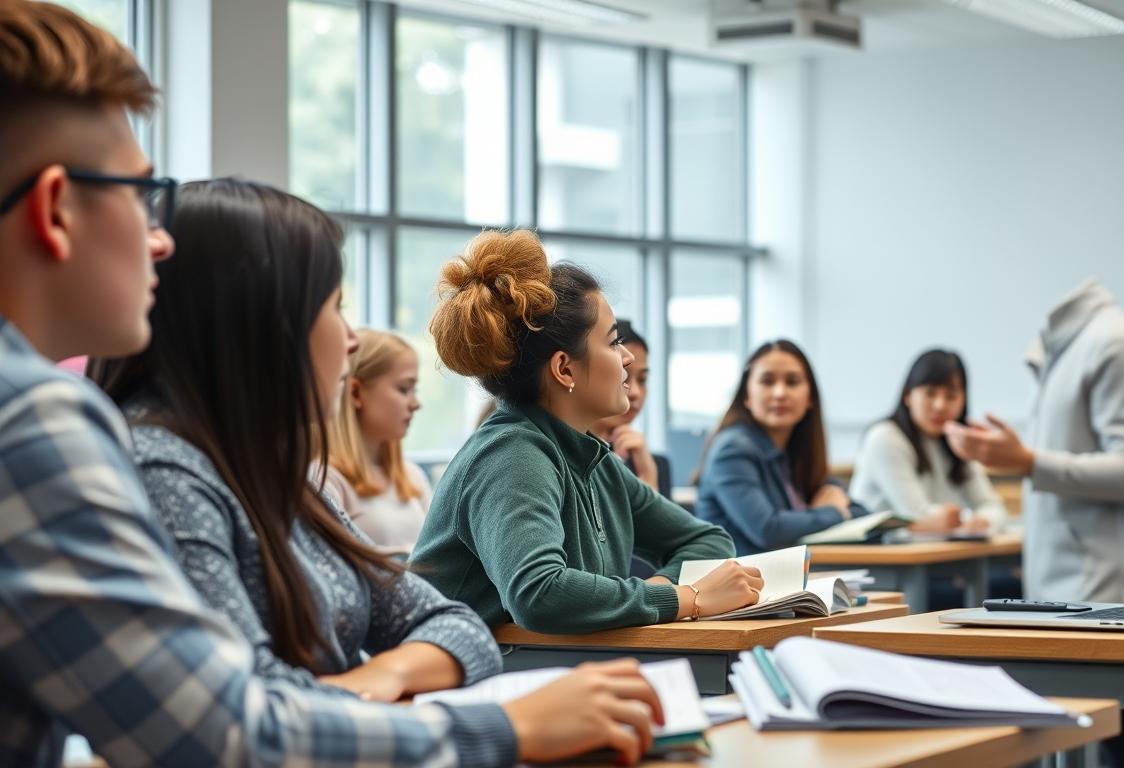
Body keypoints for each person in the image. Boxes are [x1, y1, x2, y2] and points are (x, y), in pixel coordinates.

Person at [0, 6, 664, 765]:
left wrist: (358, 686)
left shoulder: (270, 473)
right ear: (56, 209)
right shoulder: (37, 420)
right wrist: (507, 728)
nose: (159, 238)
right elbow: (227, 735)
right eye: (134, 193)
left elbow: (449, 622)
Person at [91, 179, 497, 704]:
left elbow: (456, 627)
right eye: (336, 308)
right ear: (259, 324)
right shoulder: (161, 470)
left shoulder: (277, 475)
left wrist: (379, 678)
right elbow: (248, 704)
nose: (351, 339)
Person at [411, 230, 762, 632]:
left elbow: (709, 541)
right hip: (467, 684)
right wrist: (688, 598)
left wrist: (660, 591)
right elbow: (539, 594)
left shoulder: (591, 458)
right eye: (613, 344)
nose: (628, 358)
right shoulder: (511, 456)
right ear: (564, 369)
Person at [944, 278, 1124, 767]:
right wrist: (1018, 456)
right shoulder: (1065, 350)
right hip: (1067, 586)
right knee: (1075, 735)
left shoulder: (1117, 346)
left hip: (1107, 588)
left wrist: (1024, 459)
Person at [694, 340, 864, 555]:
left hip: (784, 578)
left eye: (792, 382)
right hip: (737, 583)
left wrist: (834, 509)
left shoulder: (795, 452)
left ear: (810, 397)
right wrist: (831, 512)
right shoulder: (732, 450)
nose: (780, 393)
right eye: (767, 381)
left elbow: (858, 510)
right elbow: (767, 529)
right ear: (746, 396)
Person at [850, 349, 1006, 534]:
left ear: (963, 400)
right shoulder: (884, 437)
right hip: (879, 555)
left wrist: (984, 521)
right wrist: (967, 520)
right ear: (908, 395)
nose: (940, 405)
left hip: (931, 552)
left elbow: (993, 508)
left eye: (951, 396)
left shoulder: (957, 442)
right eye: (930, 393)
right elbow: (917, 514)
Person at [324, 328, 432, 554]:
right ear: (355, 392)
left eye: (415, 389)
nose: (415, 404)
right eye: (404, 389)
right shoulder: (326, 481)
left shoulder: (412, 477)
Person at [590, 319, 672, 498]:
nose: (635, 392)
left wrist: (649, 482)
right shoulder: (565, 458)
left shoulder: (654, 464)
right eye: (623, 375)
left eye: (642, 380)